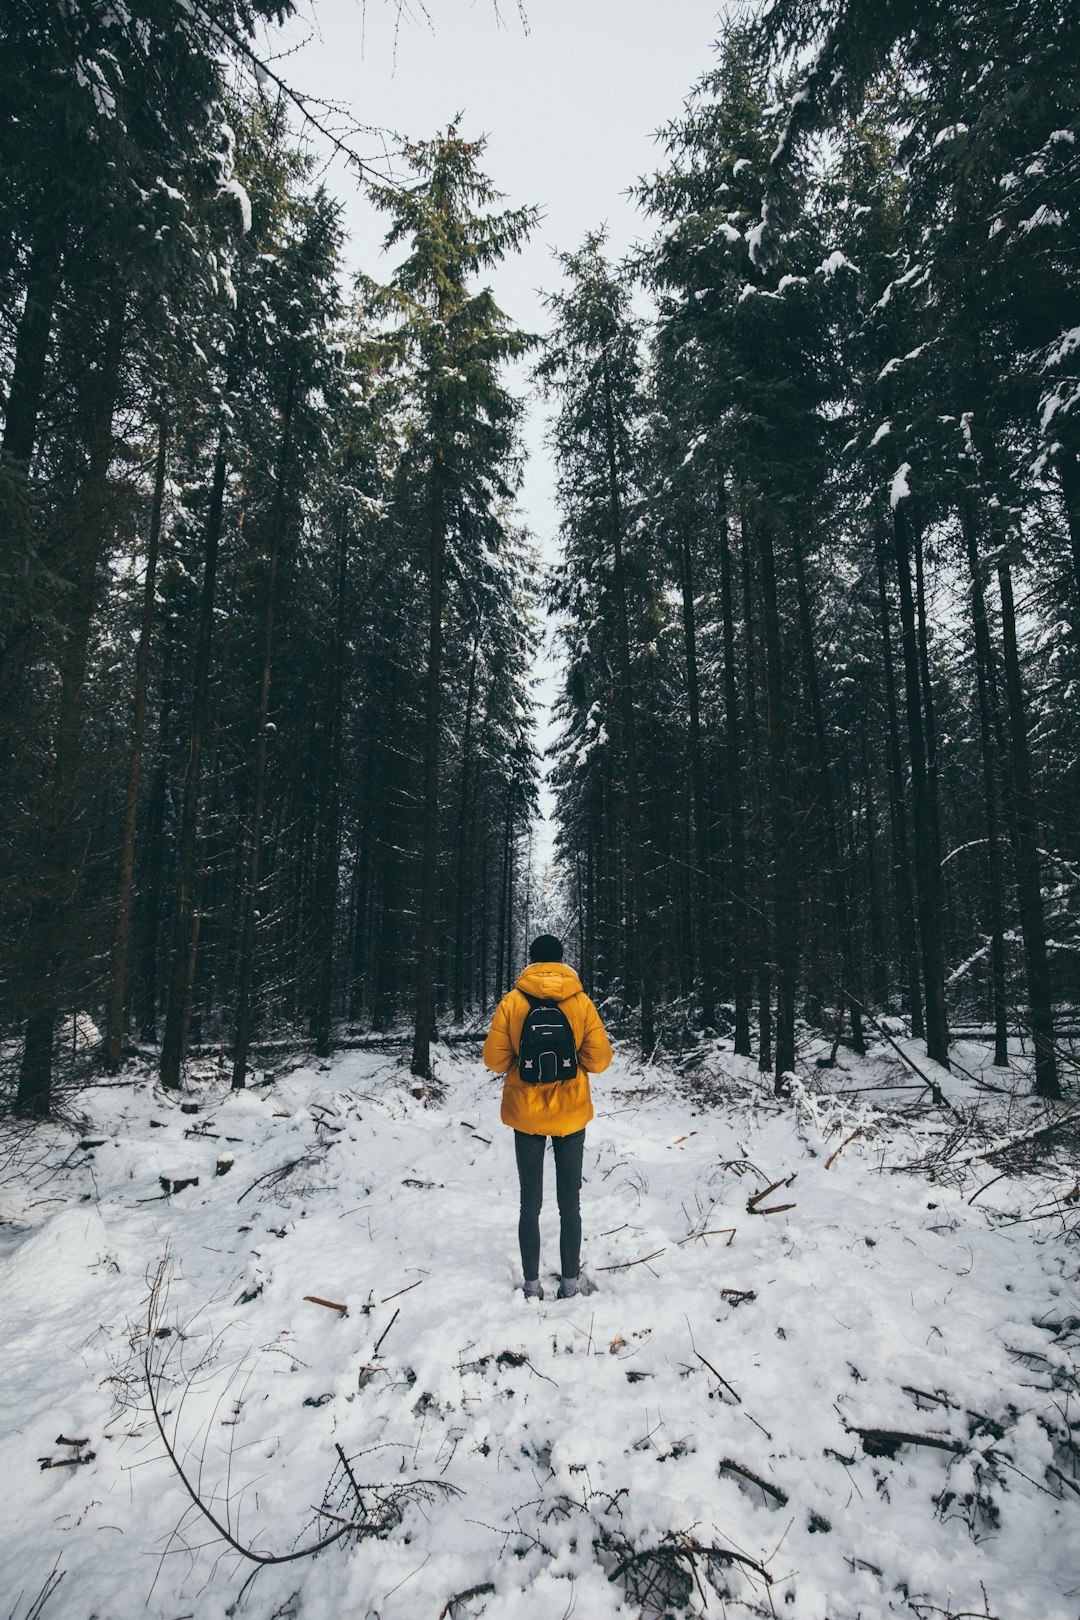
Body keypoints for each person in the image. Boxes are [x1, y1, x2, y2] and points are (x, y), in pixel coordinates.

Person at [482, 933, 613, 1300]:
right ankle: (570, 1285)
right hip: (571, 1115)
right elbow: (600, 1061)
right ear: (561, 960)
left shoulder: (513, 1001)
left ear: (532, 961)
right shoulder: (581, 1002)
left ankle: (531, 1285)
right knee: (570, 1203)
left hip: (526, 1115)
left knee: (530, 1203)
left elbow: (493, 1059)